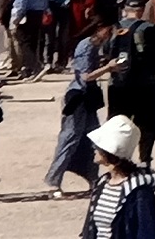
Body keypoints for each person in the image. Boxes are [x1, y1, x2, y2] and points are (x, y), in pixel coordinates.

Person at [48, 15, 119, 195]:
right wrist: (108, 68)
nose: (110, 34)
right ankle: (53, 182)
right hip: (77, 97)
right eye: (109, 30)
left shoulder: (95, 47)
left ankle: (93, 179)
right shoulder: (86, 45)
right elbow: (85, 76)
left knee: (93, 138)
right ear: (100, 28)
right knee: (69, 138)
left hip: (88, 98)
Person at [80, 115, 155, 239]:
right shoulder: (102, 184)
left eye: (97, 146)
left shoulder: (139, 191)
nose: (93, 149)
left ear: (108, 151)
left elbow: (146, 232)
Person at [107, 0, 155, 164]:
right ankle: (145, 160)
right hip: (145, 84)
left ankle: (116, 162)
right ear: (142, 10)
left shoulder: (114, 29)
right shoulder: (148, 28)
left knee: (117, 125)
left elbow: (105, 53)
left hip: (117, 84)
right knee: (147, 125)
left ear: (126, 9)